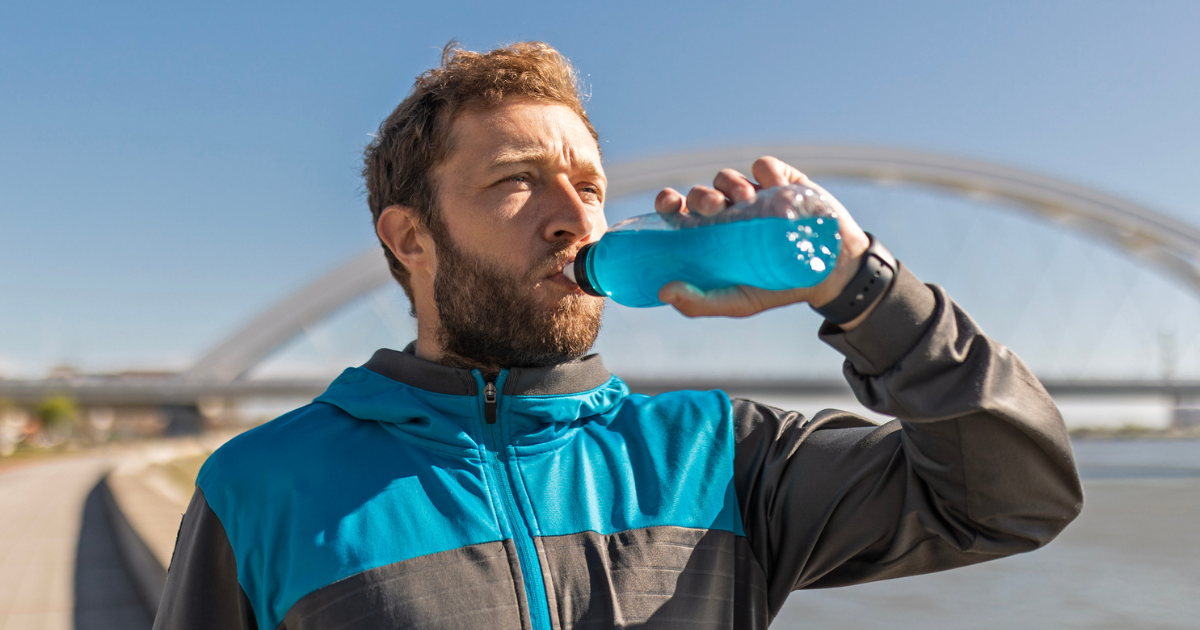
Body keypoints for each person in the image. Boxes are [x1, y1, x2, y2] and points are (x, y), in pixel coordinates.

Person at [154, 42, 1083, 630]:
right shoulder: (262, 486)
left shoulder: (724, 457)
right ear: (409, 238)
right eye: (518, 180)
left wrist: (858, 284)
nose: (575, 219)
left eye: (590, 186)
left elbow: (1014, 498)